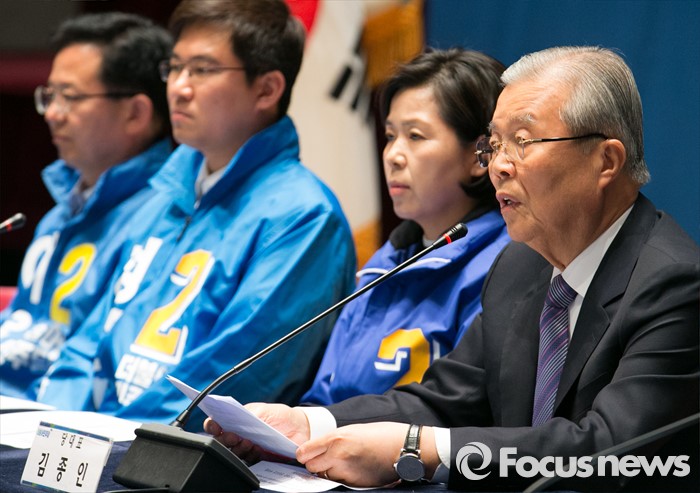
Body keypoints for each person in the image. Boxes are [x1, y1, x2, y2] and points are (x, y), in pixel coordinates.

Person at [207, 46, 699, 491]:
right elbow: (446, 398)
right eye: (494, 145)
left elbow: (610, 451)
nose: (498, 166)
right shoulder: (520, 267)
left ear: (605, 161)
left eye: (522, 141)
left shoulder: (674, 285)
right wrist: (309, 424)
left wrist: (420, 450)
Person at [32, 0, 356, 429]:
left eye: (202, 70)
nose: (178, 88)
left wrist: (109, 441)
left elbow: (226, 382)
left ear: (266, 89)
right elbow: (89, 341)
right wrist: (52, 427)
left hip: (168, 449)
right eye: (175, 67)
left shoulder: (304, 218)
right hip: (95, 437)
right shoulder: (162, 197)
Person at [302, 48, 510, 406]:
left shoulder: (503, 267)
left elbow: (459, 409)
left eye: (415, 136)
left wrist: (321, 427)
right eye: (389, 136)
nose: (392, 156)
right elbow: (323, 396)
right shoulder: (384, 263)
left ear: (480, 155)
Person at [0, 13, 173, 398]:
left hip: (46, 417)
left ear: (136, 113)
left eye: (70, 97)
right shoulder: (59, 213)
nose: (52, 113)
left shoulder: (165, 223)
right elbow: (20, 333)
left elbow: (91, 369)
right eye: (50, 95)